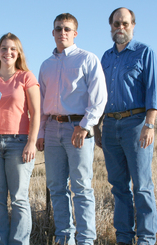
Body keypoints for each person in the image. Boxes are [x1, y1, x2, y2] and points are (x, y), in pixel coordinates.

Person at [36, 13, 107, 245]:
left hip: (78, 129)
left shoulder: (88, 59)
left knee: (81, 186)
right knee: (56, 186)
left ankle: (86, 240)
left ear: (75, 33)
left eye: (67, 29)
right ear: (53, 33)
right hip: (53, 130)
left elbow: (99, 98)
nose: (62, 32)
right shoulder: (46, 65)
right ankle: (64, 237)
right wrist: (41, 133)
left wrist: (85, 126)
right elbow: (42, 102)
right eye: (58, 29)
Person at [94, 7, 157, 245]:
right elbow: (99, 96)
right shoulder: (106, 57)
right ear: (110, 26)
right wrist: (97, 127)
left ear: (133, 25)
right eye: (116, 24)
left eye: (125, 23)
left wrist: (149, 125)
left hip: (136, 124)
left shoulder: (144, 52)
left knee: (141, 186)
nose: (120, 28)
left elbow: (153, 91)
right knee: (118, 186)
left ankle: (147, 239)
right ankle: (123, 237)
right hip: (110, 126)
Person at [0, 32, 40, 245]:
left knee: (19, 199)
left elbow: (36, 113)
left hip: (18, 143)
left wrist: (31, 142)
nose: (8, 52)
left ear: (18, 52)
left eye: (13, 49)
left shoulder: (26, 77)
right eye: (4, 48)